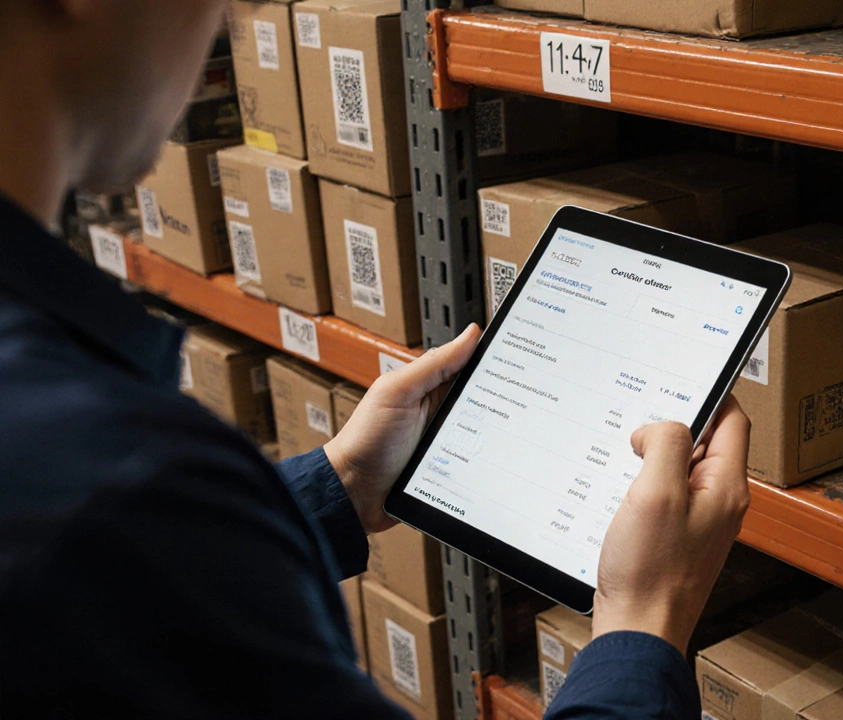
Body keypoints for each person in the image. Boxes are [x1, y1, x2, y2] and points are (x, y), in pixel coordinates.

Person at [0, 2, 751, 718]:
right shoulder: (118, 485)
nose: (239, 12)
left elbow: (133, 586)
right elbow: (120, 540)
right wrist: (644, 618)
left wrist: (344, 484)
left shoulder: (89, 464)